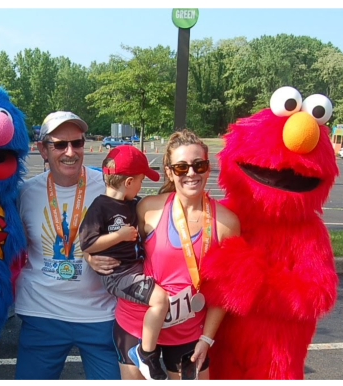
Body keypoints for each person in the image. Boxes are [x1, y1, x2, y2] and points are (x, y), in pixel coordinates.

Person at [87, 129, 241, 380]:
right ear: (169, 171)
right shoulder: (148, 208)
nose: (191, 173)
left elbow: (225, 290)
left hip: (188, 332)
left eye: (198, 165)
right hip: (136, 325)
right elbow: (109, 239)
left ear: (208, 168)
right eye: (181, 167)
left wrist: (207, 338)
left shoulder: (226, 223)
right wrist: (90, 257)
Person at [14, 111, 120, 380]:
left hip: (99, 314)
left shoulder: (107, 189)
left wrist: (102, 253)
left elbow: (131, 239)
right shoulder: (24, 194)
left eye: (78, 143)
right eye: (60, 144)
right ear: (42, 150)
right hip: (42, 312)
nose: (70, 152)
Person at [79, 145, 170, 380]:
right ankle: (146, 354)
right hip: (117, 275)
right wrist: (119, 236)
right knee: (160, 299)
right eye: (140, 181)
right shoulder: (99, 207)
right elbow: (87, 244)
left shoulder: (132, 203)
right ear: (128, 182)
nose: (141, 186)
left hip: (132, 268)